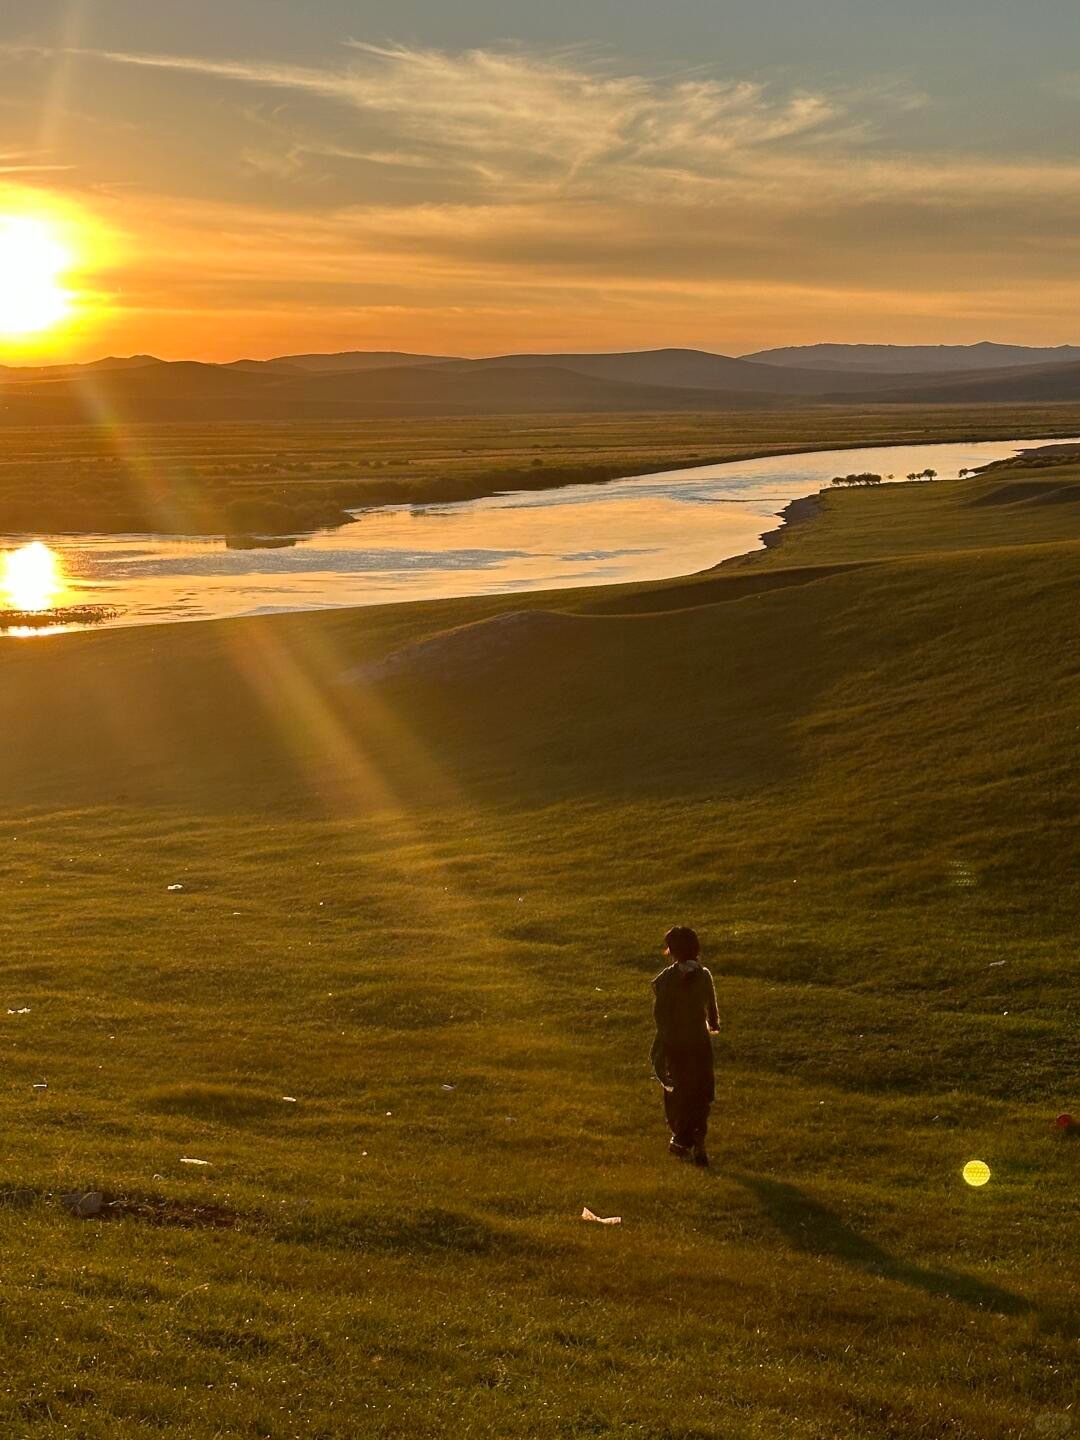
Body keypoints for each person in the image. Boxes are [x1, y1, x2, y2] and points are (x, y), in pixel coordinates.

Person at [651, 925, 719, 1166]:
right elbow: (711, 1008)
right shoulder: (704, 975)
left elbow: (661, 1014)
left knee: (677, 1091)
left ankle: (680, 1137)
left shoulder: (666, 979)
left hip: (676, 1044)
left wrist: (662, 1042)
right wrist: (713, 1022)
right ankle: (697, 1141)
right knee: (700, 1093)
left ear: (672, 951)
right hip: (699, 1043)